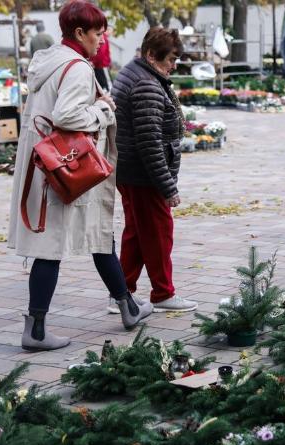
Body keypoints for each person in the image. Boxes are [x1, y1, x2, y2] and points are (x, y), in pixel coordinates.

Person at [8, 0, 152, 351]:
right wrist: (102, 110)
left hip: (46, 165)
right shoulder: (76, 68)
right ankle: (36, 330)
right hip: (66, 169)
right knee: (52, 245)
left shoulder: (50, 61)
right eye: (98, 33)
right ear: (79, 33)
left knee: (97, 234)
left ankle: (128, 306)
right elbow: (68, 116)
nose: (102, 40)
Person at [110, 27, 198, 314]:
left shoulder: (136, 72)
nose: (174, 65)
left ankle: (121, 293)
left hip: (131, 171)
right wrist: (168, 188)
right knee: (159, 233)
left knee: (137, 232)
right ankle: (162, 293)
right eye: (171, 59)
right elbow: (150, 143)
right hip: (144, 174)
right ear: (151, 55)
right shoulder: (146, 84)